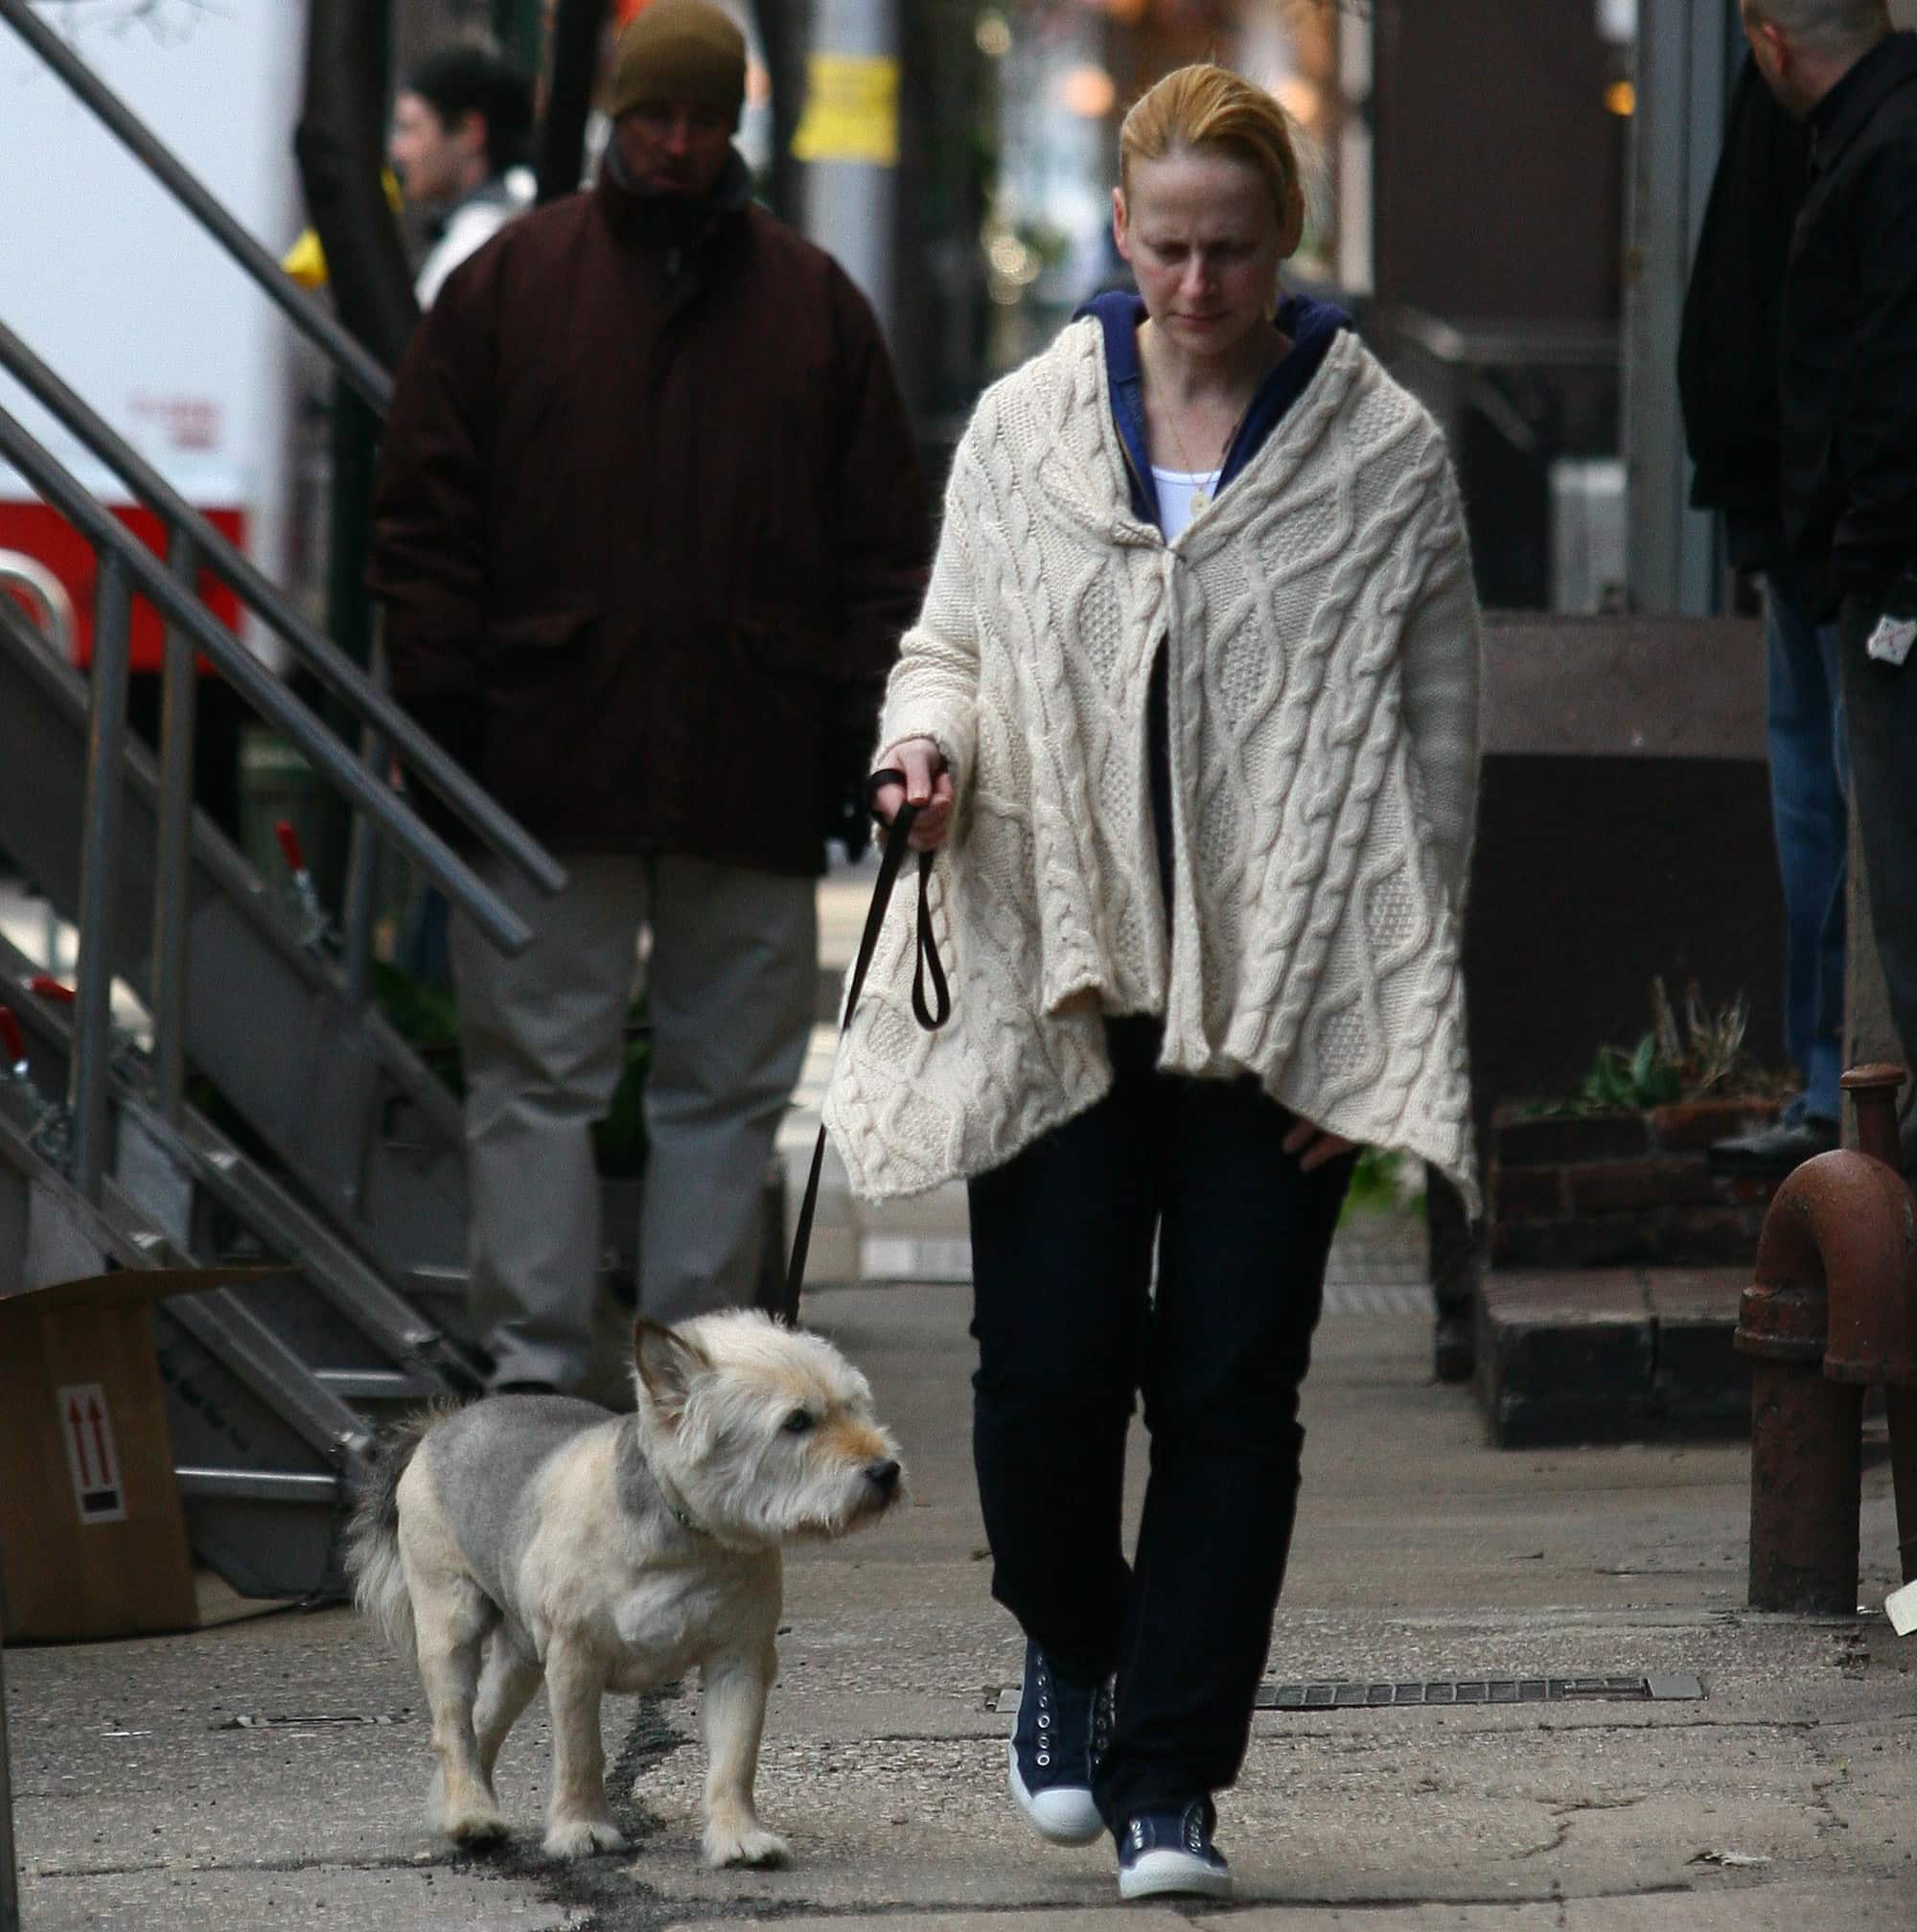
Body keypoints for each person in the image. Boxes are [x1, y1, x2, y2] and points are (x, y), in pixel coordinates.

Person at [825, 63, 1482, 1905]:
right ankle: (1071, 1638)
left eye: (1237, 248)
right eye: (1170, 246)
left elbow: (1438, 764)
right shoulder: (1028, 427)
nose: (1199, 284)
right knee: (1041, 1379)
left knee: (1228, 1395)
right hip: (1061, 976)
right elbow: (944, 645)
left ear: (1291, 239)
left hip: (1287, 1005)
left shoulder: (1385, 455)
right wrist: (923, 752)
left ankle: (1171, 1777)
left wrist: (1387, 1028)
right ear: (1121, 233)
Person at [369, 0, 928, 1394]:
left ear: (736, 120)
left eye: (700, 116)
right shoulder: (775, 301)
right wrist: (443, 720)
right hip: (596, 756)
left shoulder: (532, 286)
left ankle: (642, 1378)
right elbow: (424, 527)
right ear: (618, 117)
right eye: (656, 115)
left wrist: (861, 731)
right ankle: (573, 1375)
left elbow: (884, 556)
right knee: (612, 1081)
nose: (678, 142)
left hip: (634, 753)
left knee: (635, 1084)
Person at [1743, 0, 1917, 1154]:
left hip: (1889, 588)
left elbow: (1887, 380)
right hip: (1870, 571)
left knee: (1898, 884)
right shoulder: (1877, 137)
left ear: (1766, 44)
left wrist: (1858, 566)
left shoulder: (1888, 151)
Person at [1678, 53, 1846, 1173]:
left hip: (1821, 508)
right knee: (1818, 800)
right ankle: (1830, 1084)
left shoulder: (1831, 91)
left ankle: (1837, 1088)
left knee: (1830, 800)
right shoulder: (1799, 85)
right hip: (1797, 501)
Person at [388, 43, 537, 309]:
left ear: (471, 132)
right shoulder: (515, 220)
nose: (397, 151)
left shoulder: (474, 247)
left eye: (410, 129)